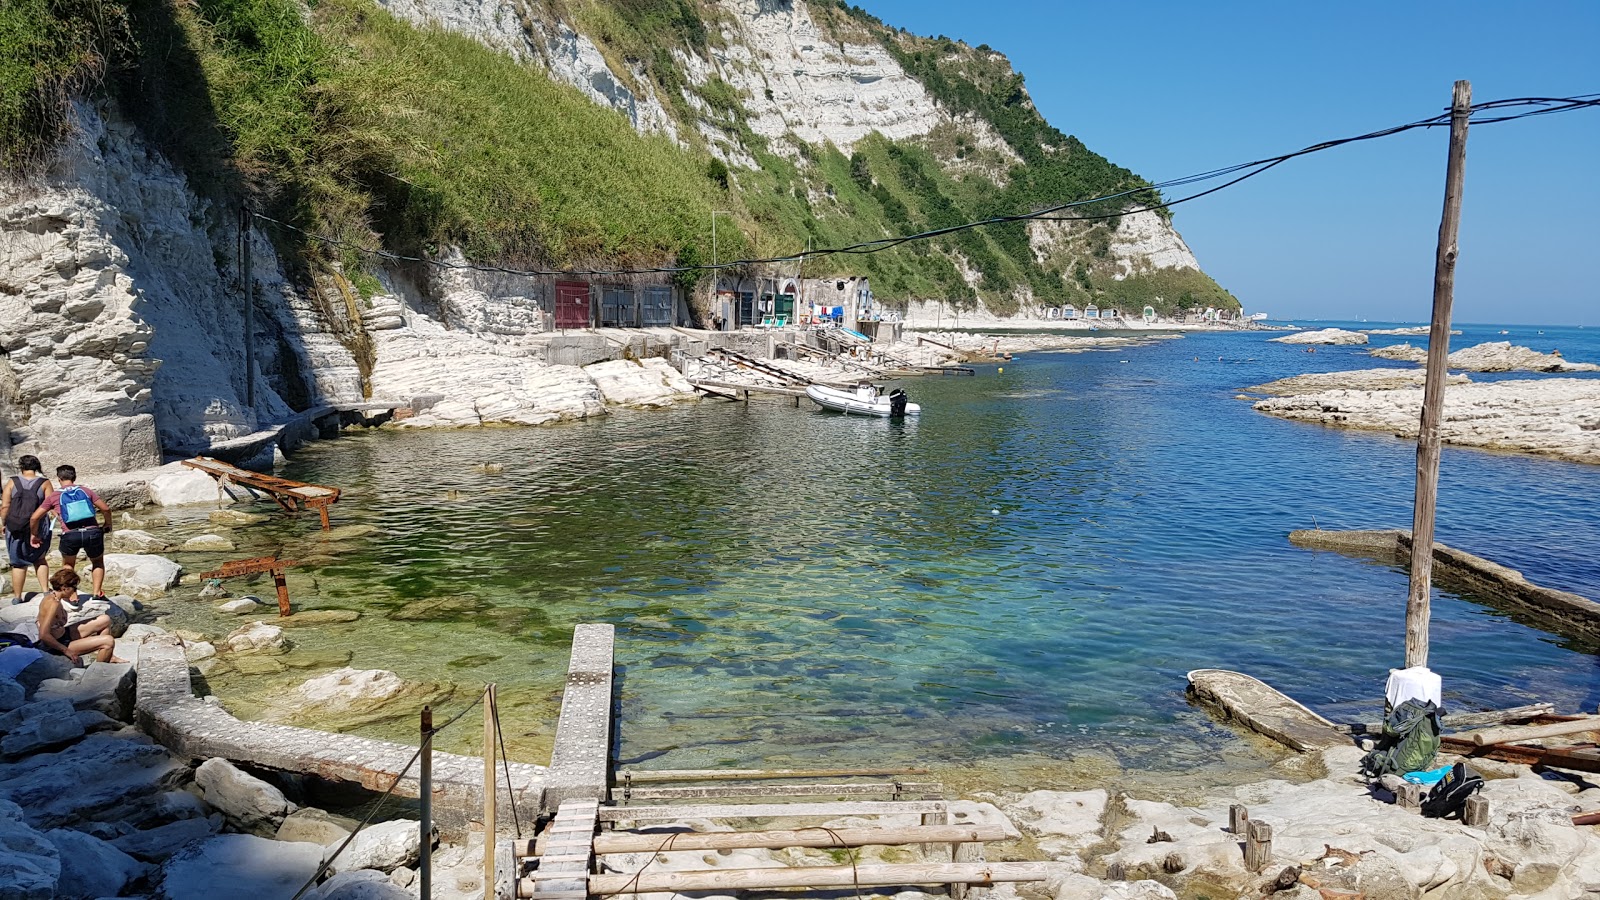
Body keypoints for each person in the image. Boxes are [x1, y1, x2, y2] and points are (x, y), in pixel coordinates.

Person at [30, 465, 112, 602]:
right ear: (74, 477)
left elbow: (34, 517)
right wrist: (108, 524)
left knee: (68, 566)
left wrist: (34, 534)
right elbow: (106, 508)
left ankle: (73, 596)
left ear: (59, 479)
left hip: (70, 535)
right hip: (92, 533)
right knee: (97, 562)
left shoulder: (54, 496)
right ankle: (97, 593)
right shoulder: (86, 491)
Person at [35, 569, 122, 665]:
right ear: (65, 588)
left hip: (64, 634)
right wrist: (65, 650)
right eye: (74, 588)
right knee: (108, 641)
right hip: (57, 645)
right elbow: (43, 635)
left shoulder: (53, 597)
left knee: (105, 619)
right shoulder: (53, 604)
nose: (74, 592)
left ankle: (108, 656)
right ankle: (98, 671)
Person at [2, 455, 53, 604]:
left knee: (18, 563)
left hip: (15, 526)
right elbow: (50, 506)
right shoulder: (45, 483)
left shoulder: (12, 481)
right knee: (40, 558)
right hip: (38, 526)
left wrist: (4, 524)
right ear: (37, 466)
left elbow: (5, 506)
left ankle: (17, 597)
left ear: (21, 466)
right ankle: (45, 591)